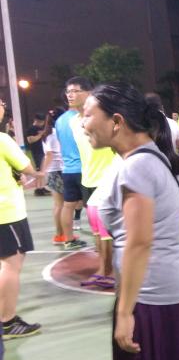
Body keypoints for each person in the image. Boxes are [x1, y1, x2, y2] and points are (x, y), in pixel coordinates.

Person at [85, 83, 179, 360]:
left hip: (152, 298)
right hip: (174, 289)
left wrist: (125, 312)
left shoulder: (137, 166)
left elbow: (138, 243)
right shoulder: (152, 156)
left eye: (88, 115)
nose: (82, 123)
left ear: (117, 121)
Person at [0, 99, 44, 339]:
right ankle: (7, 322)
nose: (3, 106)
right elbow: (26, 166)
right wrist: (38, 174)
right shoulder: (2, 140)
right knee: (11, 265)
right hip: (6, 212)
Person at [72, 94, 118, 288]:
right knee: (97, 227)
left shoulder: (110, 121)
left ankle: (112, 271)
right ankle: (103, 269)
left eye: (75, 91)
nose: (70, 94)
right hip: (89, 179)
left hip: (108, 178)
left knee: (108, 229)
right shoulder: (73, 122)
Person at [56, 77, 92, 250]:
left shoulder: (60, 120)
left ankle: (68, 240)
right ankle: (101, 240)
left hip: (68, 169)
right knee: (93, 206)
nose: (70, 95)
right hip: (85, 168)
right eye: (68, 92)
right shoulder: (82, 119)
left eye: (74, 91)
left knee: (68, 205)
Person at [40, 107, 66, 245]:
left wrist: (44, 171)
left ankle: (60, 235)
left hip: (53, 171)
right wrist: (42, 172)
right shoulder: (56, 133)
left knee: (58, 205)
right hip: (59, 170)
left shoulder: (46, 133)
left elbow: (47, 154)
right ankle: (62, 235)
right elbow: (50, 154)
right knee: (62, 205)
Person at [25, 113, 50, 196]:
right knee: (40, 170)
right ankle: (38, 189)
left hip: (42, 151)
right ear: (36, 120)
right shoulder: (31, 129)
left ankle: (41, 187)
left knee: (42, 170)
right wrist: (40, 134)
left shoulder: (40, 128)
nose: (42, 124)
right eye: (41, 122)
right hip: (37, 152)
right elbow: (30, 140)